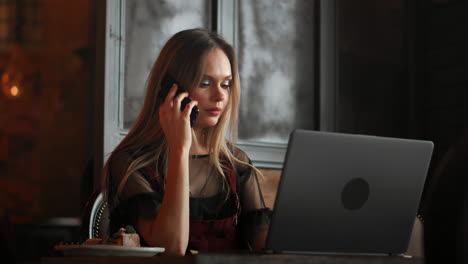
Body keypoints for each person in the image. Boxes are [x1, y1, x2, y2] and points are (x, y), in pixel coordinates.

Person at [102, 28, 271, 256]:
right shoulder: (131, 164)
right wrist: (179, 149)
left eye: (226, 84)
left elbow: (270, 248)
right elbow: (171, 247)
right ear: (170, 91)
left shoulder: (236, 164)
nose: (220, 96)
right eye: (205, 83)